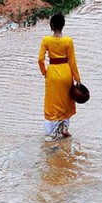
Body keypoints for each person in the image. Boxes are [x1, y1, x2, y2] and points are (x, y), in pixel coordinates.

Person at [38, 13, 81, 141]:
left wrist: (45, 72)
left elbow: (40, 59)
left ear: (51, 25)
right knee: (66, 101)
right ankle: (64, 128)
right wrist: (77, 78)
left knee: (51, 103)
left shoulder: (46, 40)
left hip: (52, 73)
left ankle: (51, 132)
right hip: (66, 73)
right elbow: (72, 62)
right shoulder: (68, 41)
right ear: (63, 25)